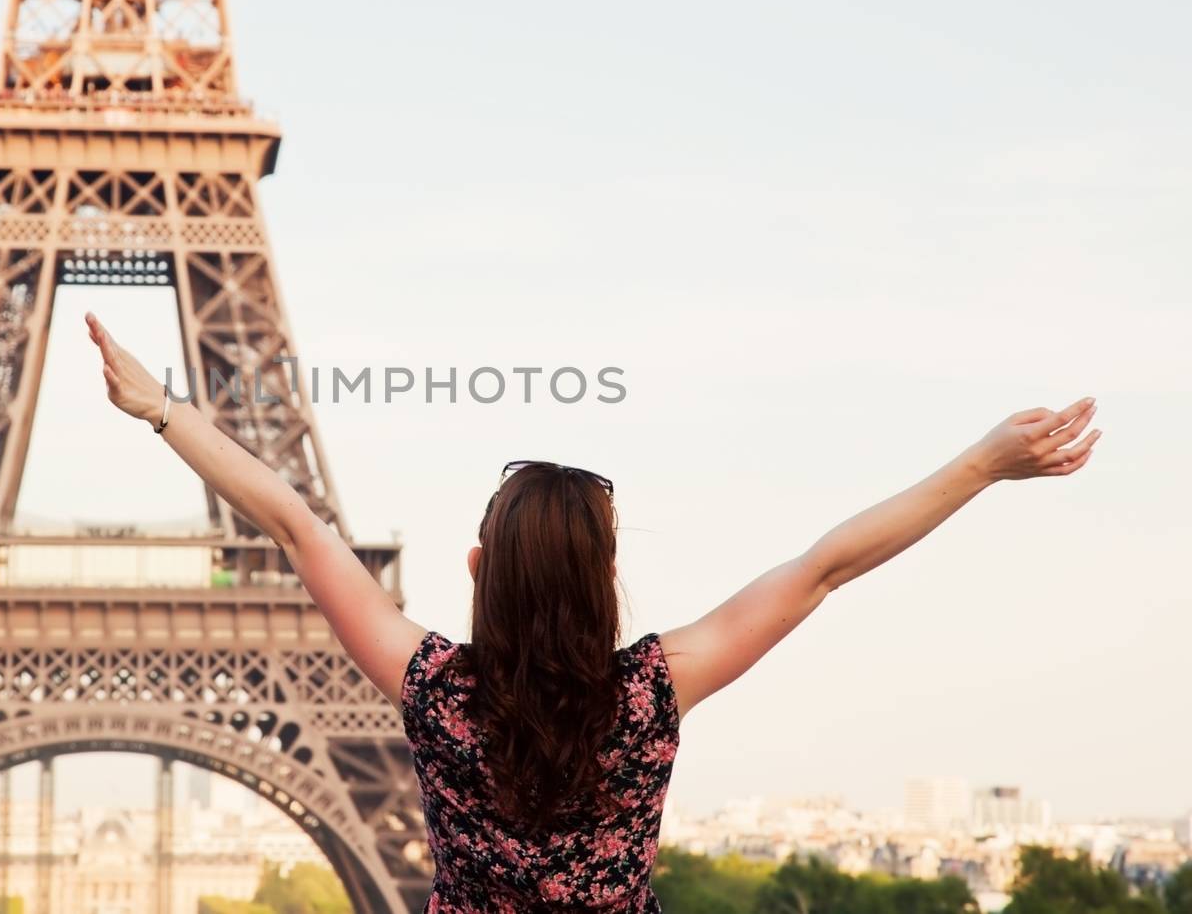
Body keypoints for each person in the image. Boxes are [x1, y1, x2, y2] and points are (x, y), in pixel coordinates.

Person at [83, 311, 1100, 912]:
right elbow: (828, 564)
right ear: (604, 577)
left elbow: (297, 526)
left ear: (479, 565)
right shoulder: (658, 686)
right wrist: (983, 464)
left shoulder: (430, 685)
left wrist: (161, 408)